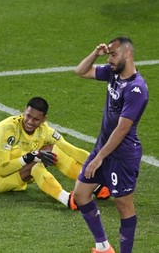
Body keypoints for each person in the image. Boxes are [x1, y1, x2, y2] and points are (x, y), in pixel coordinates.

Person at [73, 37, 149, 253]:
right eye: (108, 55)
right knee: (80, 194)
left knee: (123, 205)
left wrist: (99, 158)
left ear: (128, 54)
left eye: (113, 54)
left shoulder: (137, 89)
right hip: (103, 149)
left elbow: (122, 129)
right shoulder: (113, 73)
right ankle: (103, 246)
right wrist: (95, 53)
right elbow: (80, 71)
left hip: (122, 155)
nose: (110, 59)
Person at [0, 97, 110, 208]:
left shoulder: (44, 130)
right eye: (28, 116)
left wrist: (98, 163)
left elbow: (70, 149)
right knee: (35, 163)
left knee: (53, 150)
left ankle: (95, 184)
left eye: (36, 119)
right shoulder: (8, 130)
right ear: (24, 111)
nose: (30, 121)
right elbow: (2, 170)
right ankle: (67, 199)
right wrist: (30, 157)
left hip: (14, 168)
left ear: (43, 120)